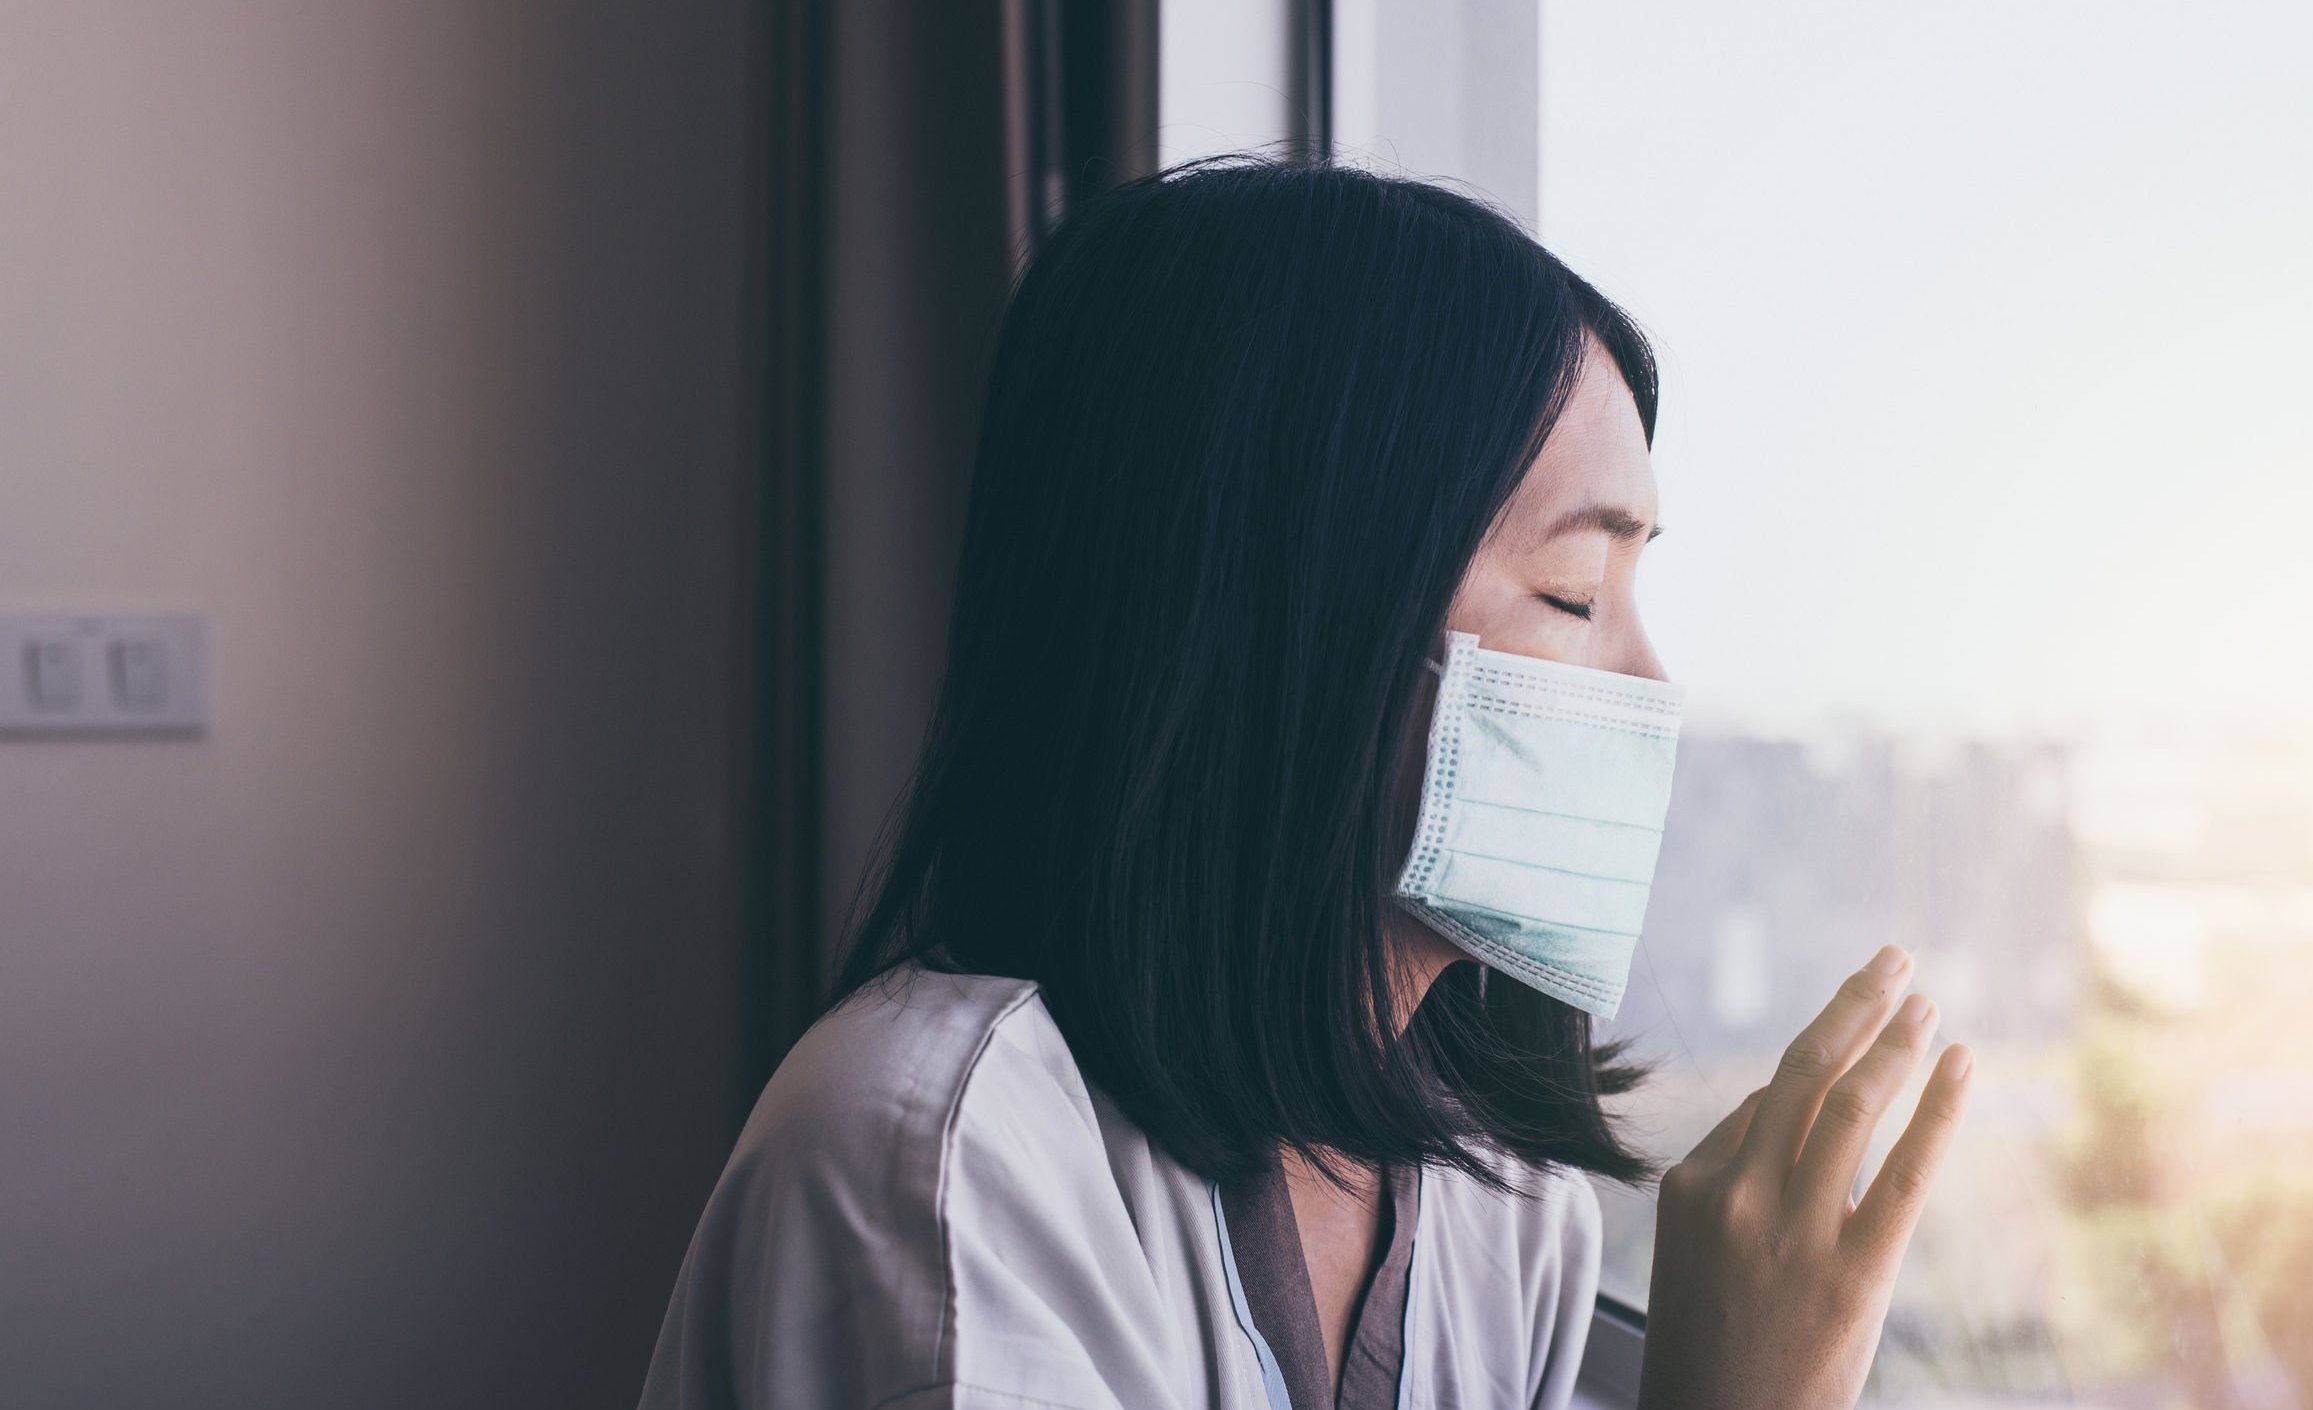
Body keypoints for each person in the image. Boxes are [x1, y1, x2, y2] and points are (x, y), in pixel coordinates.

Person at [636, 157, 1972, 1410]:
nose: (1651, 684)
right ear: (1300, 615)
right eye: (1573, 591)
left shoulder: (1506, 1202)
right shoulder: (935, 1157)